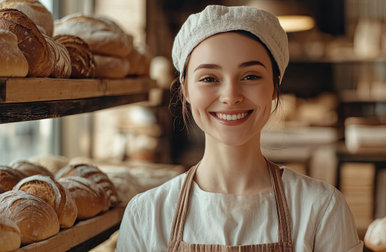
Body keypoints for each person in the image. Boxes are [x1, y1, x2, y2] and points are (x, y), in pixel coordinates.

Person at [116, 5, 363, 252]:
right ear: (186, 90)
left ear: (275, 88)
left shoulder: (321, 209)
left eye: (250, 76)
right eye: (209, 78)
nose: (231, 96)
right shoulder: (145, 215)